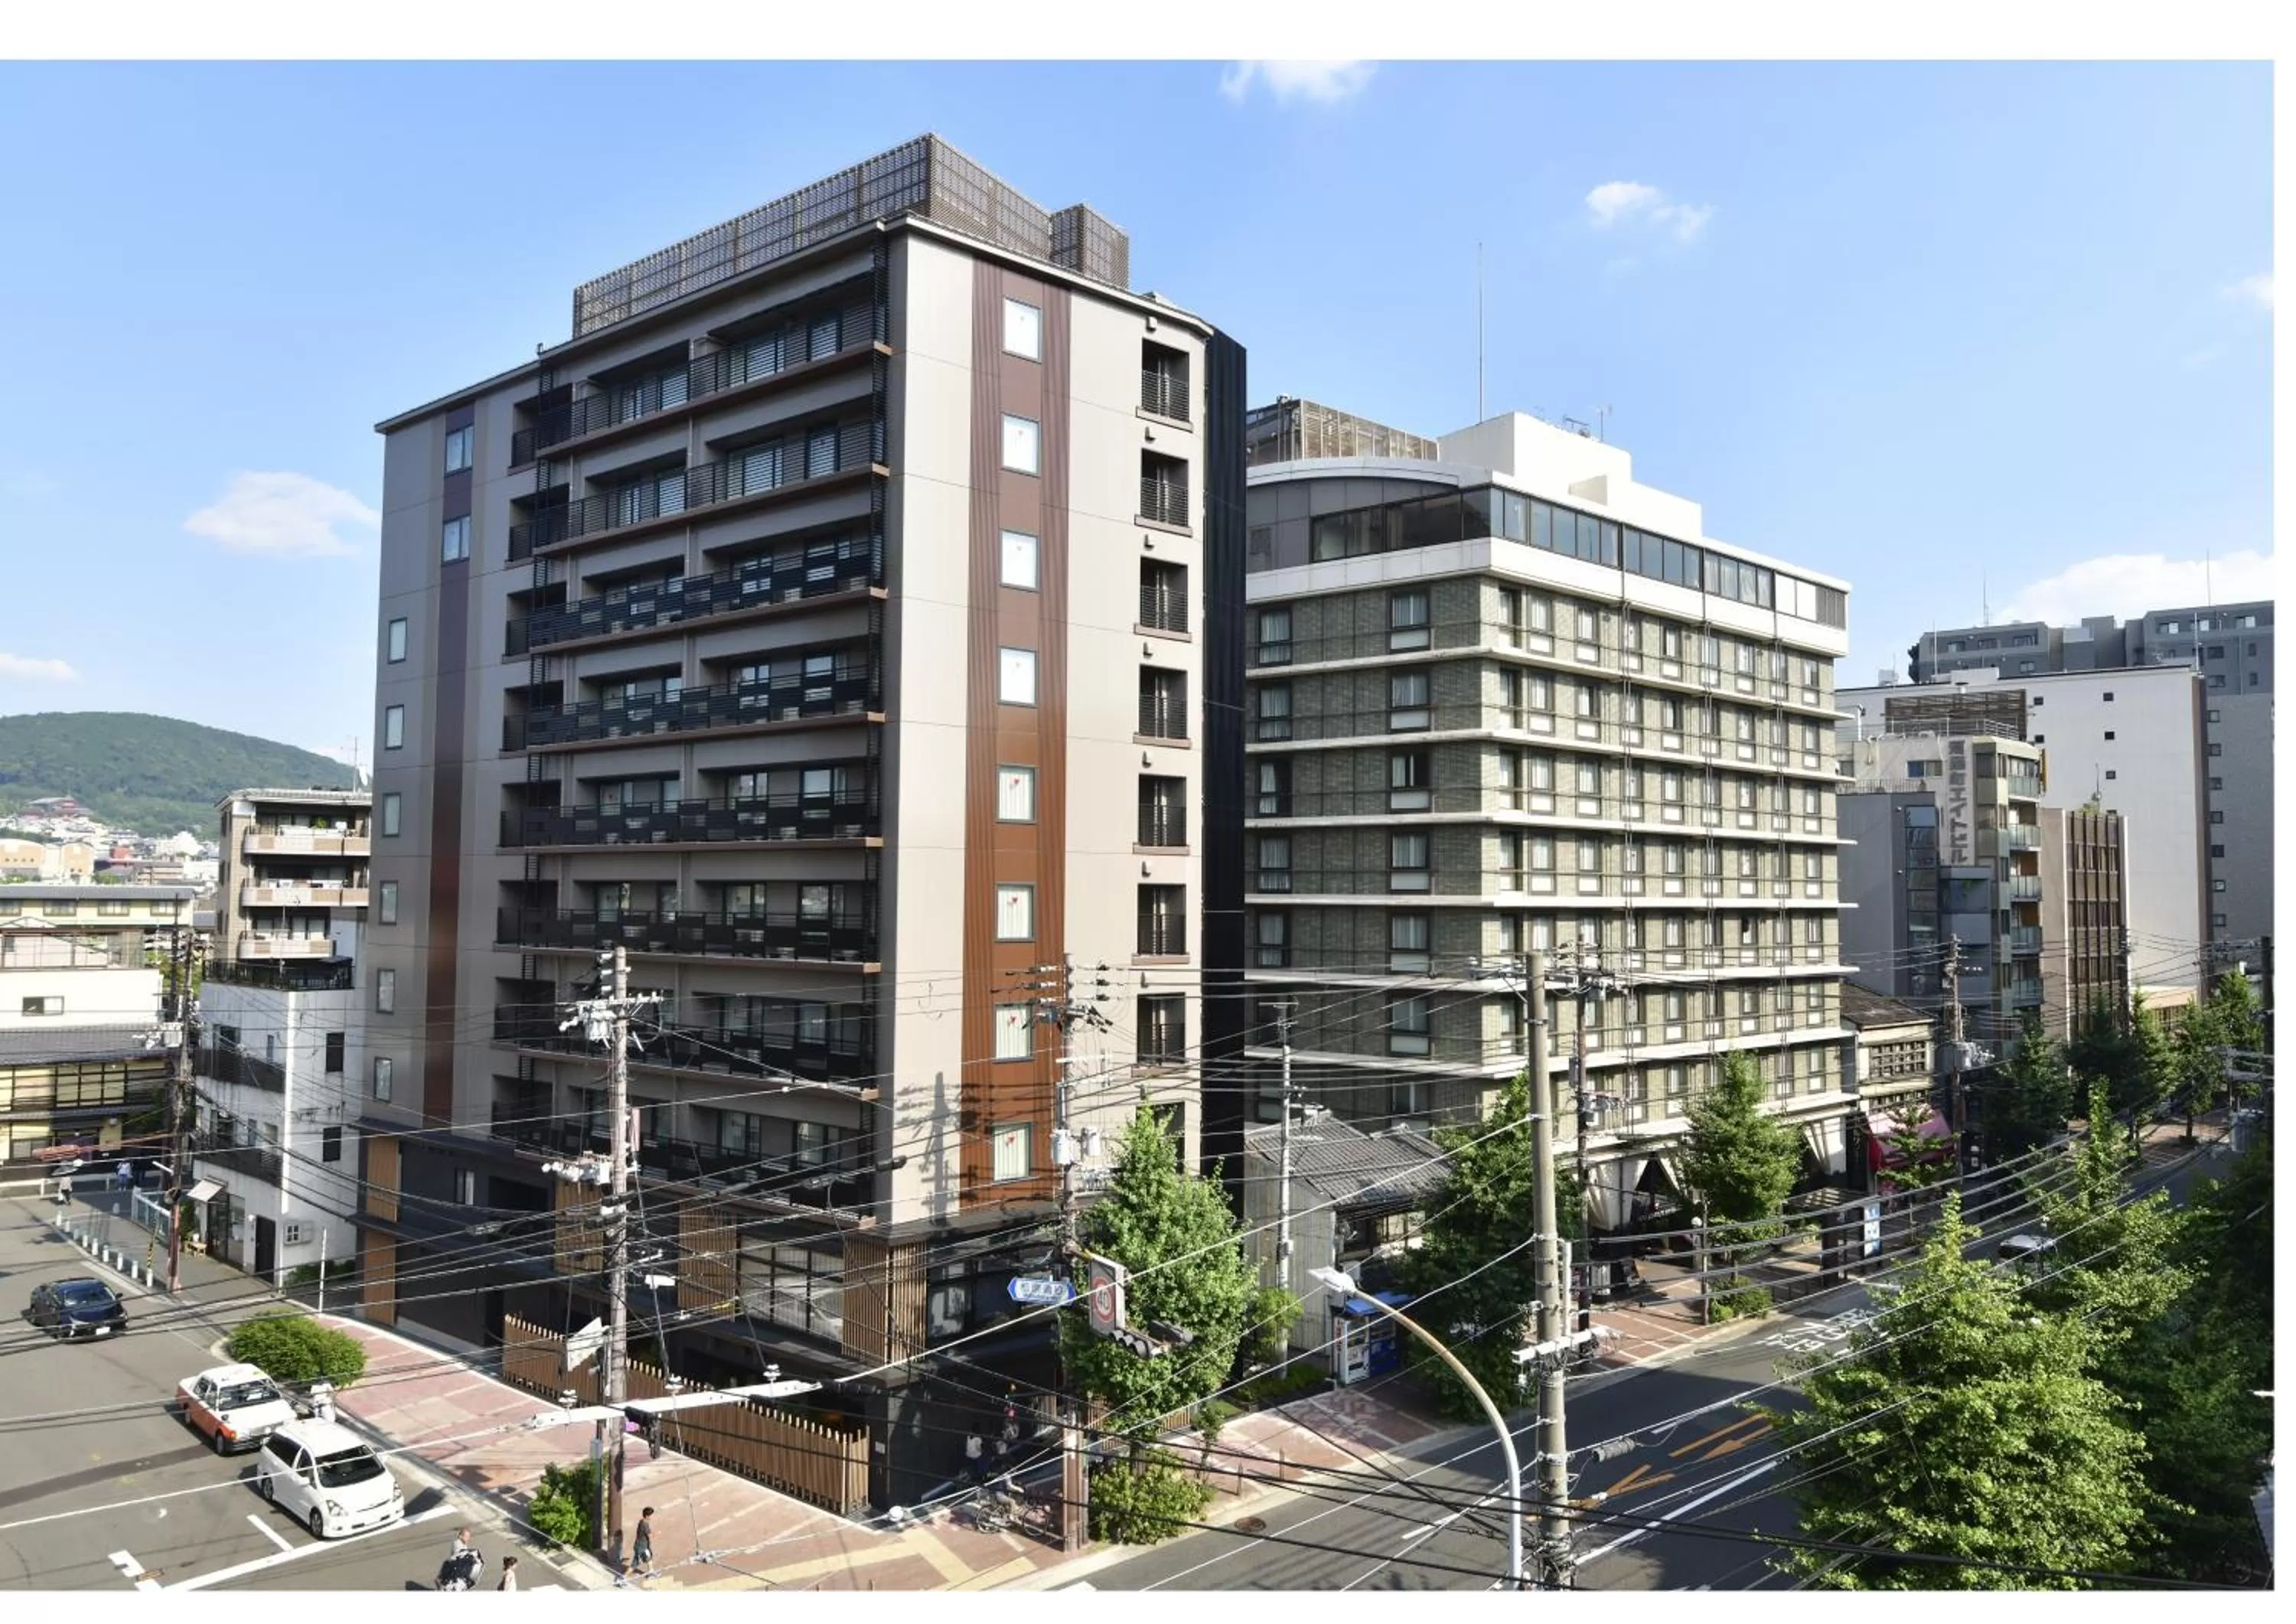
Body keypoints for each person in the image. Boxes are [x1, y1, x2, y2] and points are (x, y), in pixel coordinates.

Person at [630, 1506, 655, 1582]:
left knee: (649, 1558)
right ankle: (622, 1577)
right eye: (651, 1515)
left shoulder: (642, 1521)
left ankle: (651, 1573)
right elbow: (650, 1536)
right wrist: (657, 1534)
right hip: (641, 1547)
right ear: (647, 1516)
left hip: (643, 1546)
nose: (652, 1517)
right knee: (635, 1563)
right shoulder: (644, 1524)